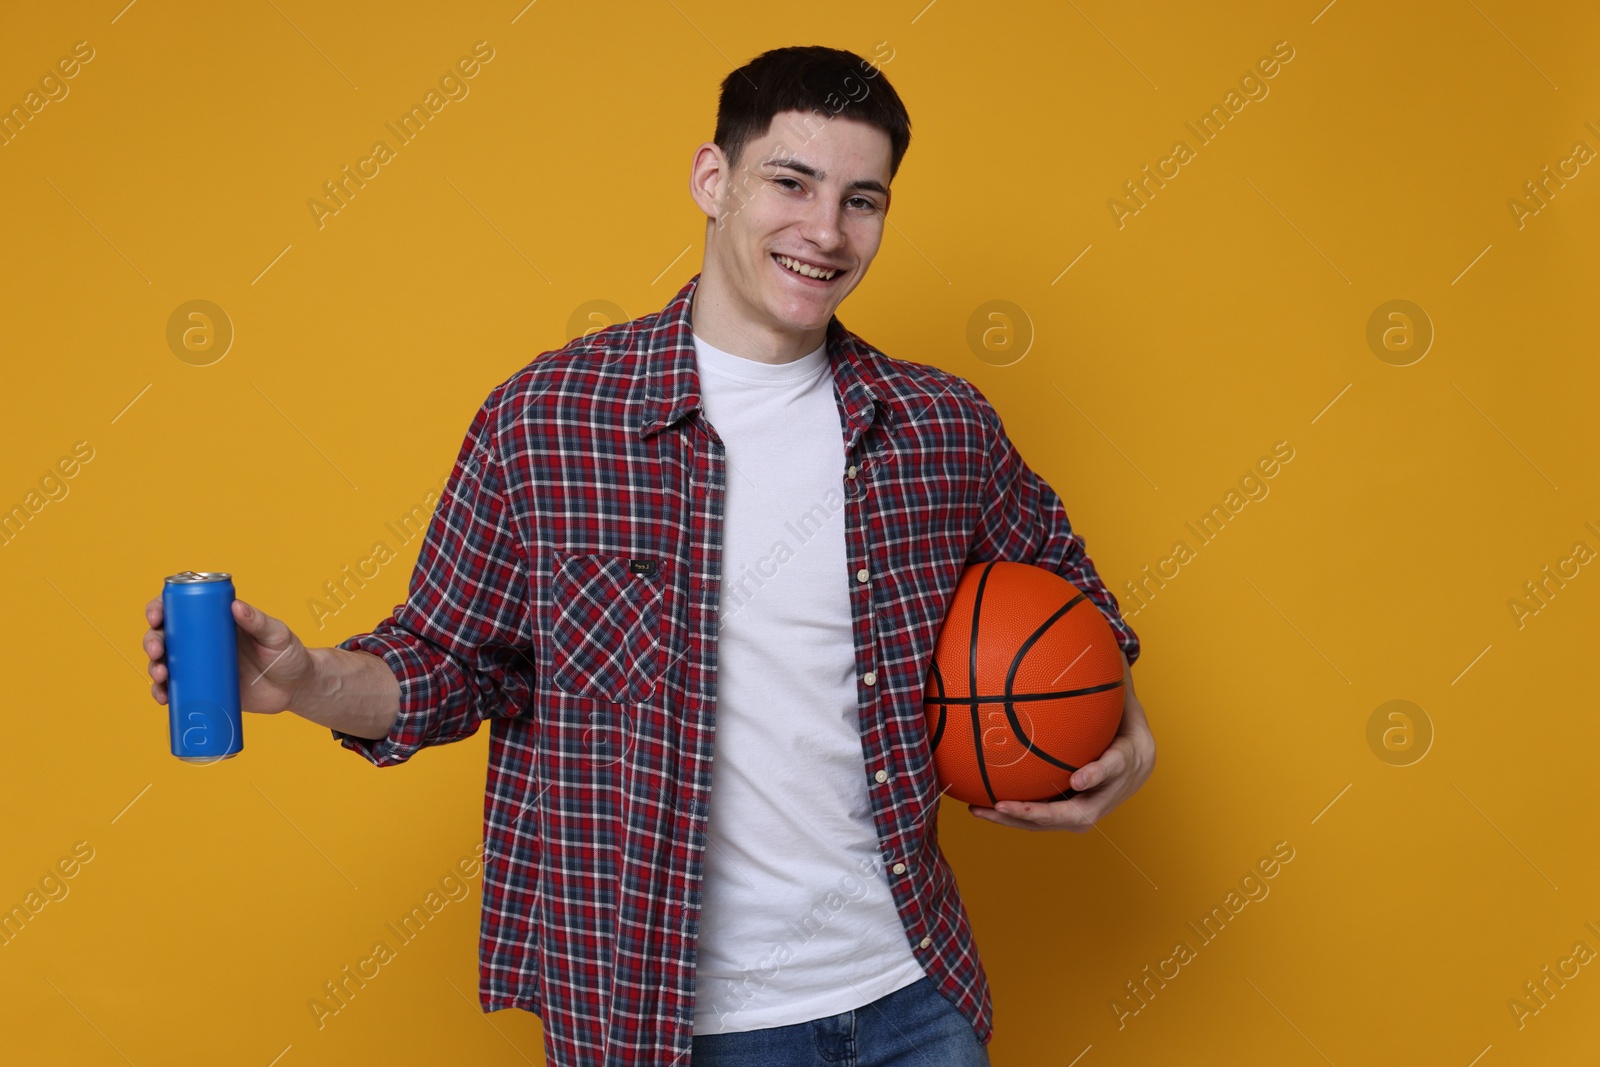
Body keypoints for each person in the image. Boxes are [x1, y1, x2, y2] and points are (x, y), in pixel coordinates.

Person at [141, 44, 1155, 1067]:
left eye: (863, 200)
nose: (824, 230)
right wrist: (308, 681)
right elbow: (446, 663)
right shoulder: (546, 419)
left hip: (908, 997)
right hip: (660, 1022)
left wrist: (1128, 730)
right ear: (713, 179)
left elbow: (1073, 598)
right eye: (790, 182)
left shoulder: (936, 426)